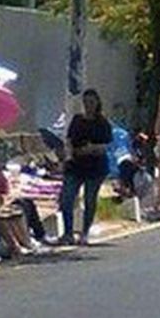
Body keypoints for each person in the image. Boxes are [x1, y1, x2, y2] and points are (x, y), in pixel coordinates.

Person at [60, 89, 112, 245]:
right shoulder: (77, 120)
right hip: (76, 164)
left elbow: (107, 145)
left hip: (95, 166)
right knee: (66, 199)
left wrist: (92, 148)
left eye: (91, 102)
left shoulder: (102, 122)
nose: (88, 105)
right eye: (86, 102)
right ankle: (68, 232)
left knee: (90, 199)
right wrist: (67, 155)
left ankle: (84, 232)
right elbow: (69, 140)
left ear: (97, 103)